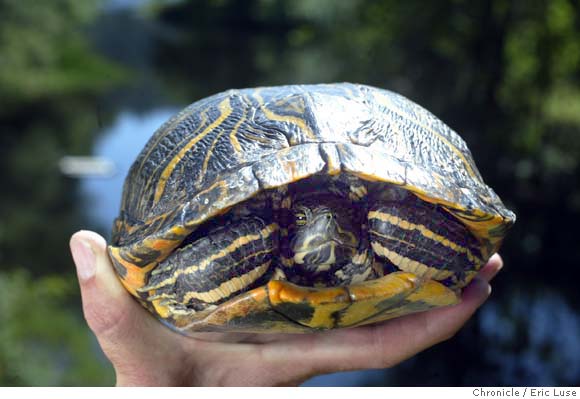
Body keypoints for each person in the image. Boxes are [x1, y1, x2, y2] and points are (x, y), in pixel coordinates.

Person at [69, 230, 503, 386]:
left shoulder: (379, 227)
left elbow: (467, 246)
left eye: (337, 220)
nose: (325, 232)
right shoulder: (258, 238)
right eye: (306, 222)